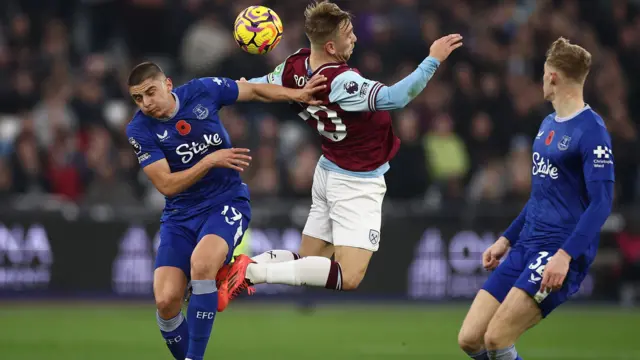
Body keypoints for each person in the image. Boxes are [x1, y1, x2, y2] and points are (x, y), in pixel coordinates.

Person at [215, 0, 463, 312]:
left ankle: (238, 268)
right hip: (356, 181)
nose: (355, 38)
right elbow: (395, 98)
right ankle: (251, 272)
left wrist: (209, 95)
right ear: (331, 46)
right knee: (350, 276)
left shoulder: (294, 66)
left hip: (329, 169)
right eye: (349, 34)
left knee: (309, 263)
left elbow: (254, 87)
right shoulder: (342, 81)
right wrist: (432, 60)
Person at [125, 61, 325, 360]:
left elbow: (254, 91)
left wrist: (299, 92)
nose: (146, 103)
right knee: (166, 301)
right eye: (138, 98)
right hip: (179, 216)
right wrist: (208, 160)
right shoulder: (139, 129)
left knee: (202, 265)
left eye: (150, 93)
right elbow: (166, 184)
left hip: (226, 201)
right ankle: (223, 277)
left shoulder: (203, 90)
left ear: (168, 84)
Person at [457, 37, 615, 360]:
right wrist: (507, 238)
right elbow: (541, 196)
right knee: (471, 339)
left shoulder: (592, 131)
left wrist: (565, 255)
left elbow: (602, 203)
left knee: (497, 338)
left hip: (557, 251)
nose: (542, 79)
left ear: (553, 76)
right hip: (527, 244)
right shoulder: (546, 125)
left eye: (544, 72)